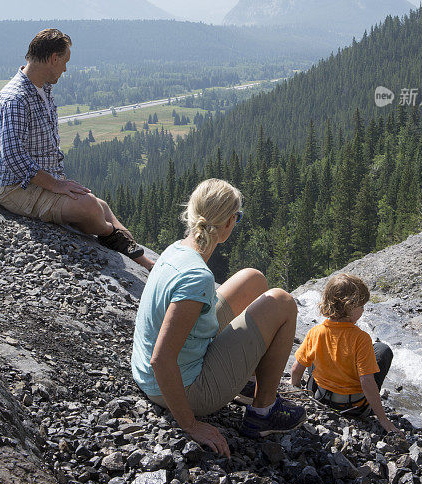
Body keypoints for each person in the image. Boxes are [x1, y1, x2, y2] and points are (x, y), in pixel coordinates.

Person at [131, 178, 306, 456]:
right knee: (283, 302)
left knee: (253, 279)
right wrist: (190, 424)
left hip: (154, 373)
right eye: (237, 217)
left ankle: (244, 382)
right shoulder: (197, 278)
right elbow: (161, 359)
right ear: (227, 224)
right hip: (182, 389)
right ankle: (263, 411)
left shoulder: (177, 249)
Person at [0, 28, 153, 270]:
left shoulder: (42, 89)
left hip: (41, 182)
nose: (65, 69)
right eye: (65, 62)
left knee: (101, 206)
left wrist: (57, 183)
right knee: (89, 207)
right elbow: (13, 158)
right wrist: (57, 185)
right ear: (53, 58)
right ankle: (114, 237)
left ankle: (144, 261)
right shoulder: (15, 98)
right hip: (16, 188)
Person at [291, 272, 401, 434]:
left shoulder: (316, 332)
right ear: (349, 307)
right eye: (361, 306)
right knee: (382, 349)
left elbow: (295, 370)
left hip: (321, 398)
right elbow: (367, 382)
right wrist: (383, 420)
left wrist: (297, 394)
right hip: (355, 408)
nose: (363, 310)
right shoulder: (361, 338)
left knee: (315, 352)